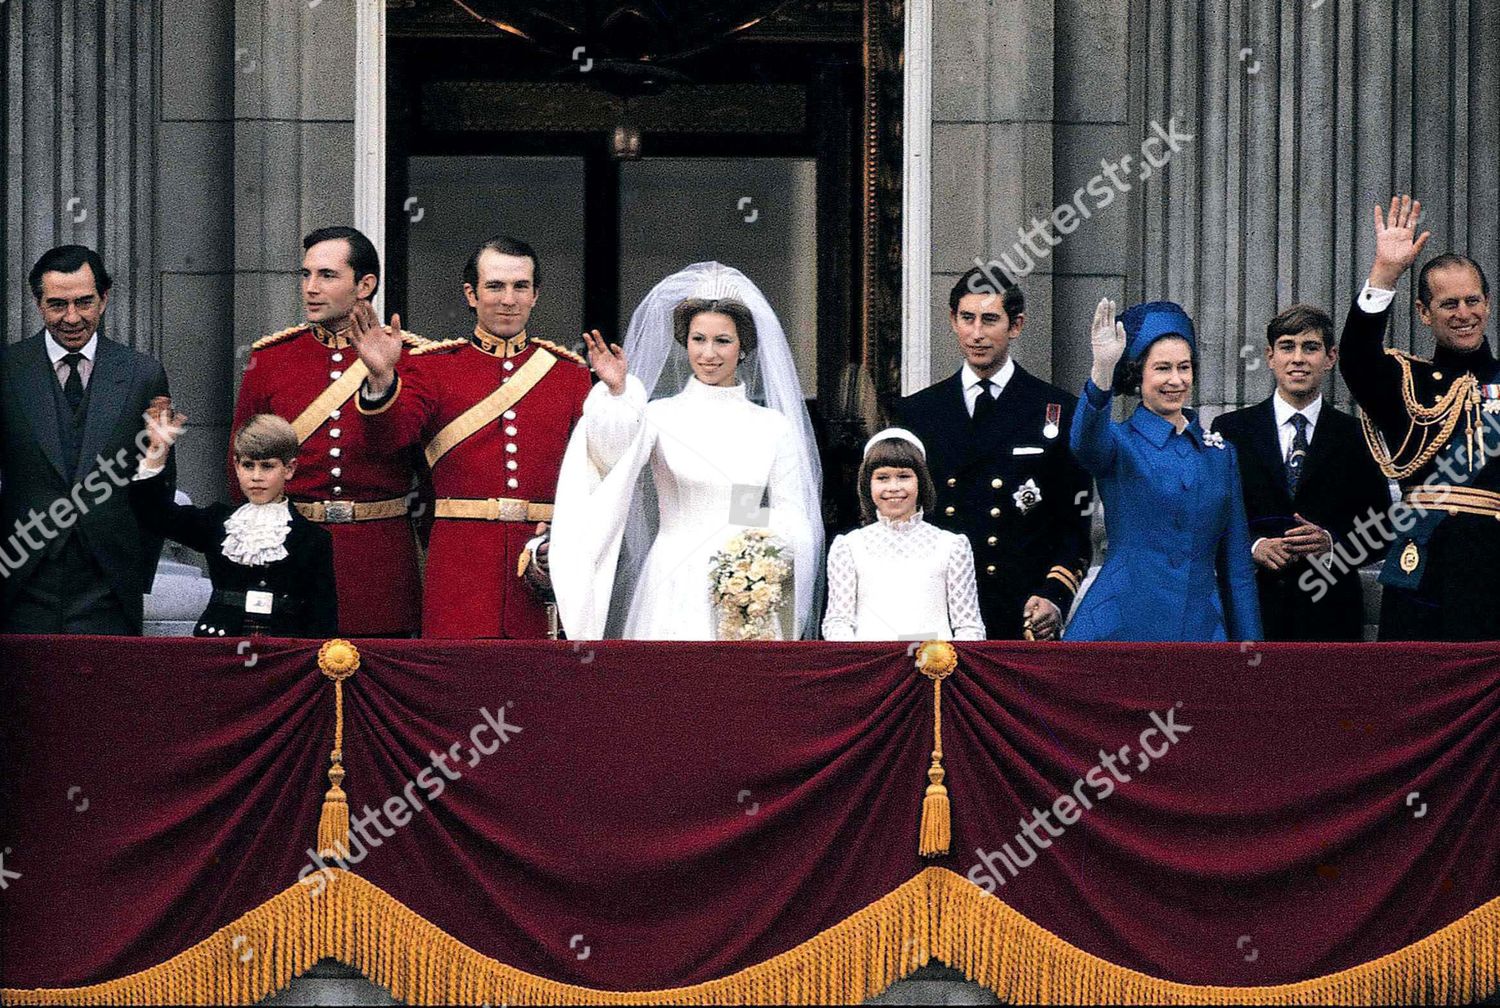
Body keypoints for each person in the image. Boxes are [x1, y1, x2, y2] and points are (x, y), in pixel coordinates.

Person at [549, 262, 824, 640]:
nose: (709, 353)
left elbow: (792, 514)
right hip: (671, 582)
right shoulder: (659, 415)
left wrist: (753, 561)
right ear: (685, 341)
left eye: (722, 341)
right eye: (698, 339)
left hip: (748, 588)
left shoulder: (772, 426)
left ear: (743, 347)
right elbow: (609, 458)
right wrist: (617, 394)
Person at [352, 235, 592, 639]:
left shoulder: (568, 374)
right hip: (460, 567)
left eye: (520, 287)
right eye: (495, 286)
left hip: (541, 562)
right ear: (471, 294)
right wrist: (381, 378)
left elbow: (592, 475)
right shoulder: (432, 367)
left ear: (536, 295)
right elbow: (388, 440)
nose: (508, 299)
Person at [231, 226, 426, 637]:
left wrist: (381, 380)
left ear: (365, 285)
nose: (310, 288)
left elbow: (414, 457)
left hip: (377, 563)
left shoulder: (412, 358)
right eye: (305, 275)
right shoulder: (270, 359)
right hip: (291, 553)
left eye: (327, 276)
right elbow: (241, 473)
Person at [895, 268, 1092, 640]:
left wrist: (1054, 596)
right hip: (938, 612)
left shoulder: (1057, 410)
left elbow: (1073, 527)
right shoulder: (918, 413)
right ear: (952, 321)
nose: (977, 334)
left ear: (1015, 325)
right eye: (967, 319)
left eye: (990, 320)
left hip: (1020, 611)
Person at [1339, 194, 1500, 640]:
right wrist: (1384, 273)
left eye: (1472, 301)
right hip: (1420, 569)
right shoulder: (1405, 383)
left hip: (1492, 572)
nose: (1464, 314)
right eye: (1449, 305)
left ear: (1487, 304)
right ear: (1424, 314)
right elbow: (1355, 358)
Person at [1065, 298, 1261, 642]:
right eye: (1162, 368)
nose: (1175, 380)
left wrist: (1251, 650)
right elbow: (1084, 441)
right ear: (1138, 374)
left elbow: (1237, 569)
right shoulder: (1119, 443)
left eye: (1184, 368)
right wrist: (1102, 372)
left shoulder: (1220, 455)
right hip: (1121, 625)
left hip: (1199, 630)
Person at [0, 245, 173, 635]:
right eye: (57, 304)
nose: (72, 318)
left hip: (108, 585)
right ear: (38, 303)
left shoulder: (142, 374)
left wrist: (132, 571)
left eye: (84, 302)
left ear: (105, 298)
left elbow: (158, 487)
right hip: (21, 582)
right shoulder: (9, 370)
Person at [1212, 304, 1393, 641]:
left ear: (1330, 357)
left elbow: (1383, 527)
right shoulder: (1231, 430)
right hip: (1251, 607)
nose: (1298, 358)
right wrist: (1254, 546)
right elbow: (1211, 517)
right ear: (1270, 356)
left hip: (1330, 615)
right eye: (1287, 346)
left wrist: (1333, 543)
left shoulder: (1358, 435)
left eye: (1310, 347)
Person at [130, 406, 336, 638]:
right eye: (248, 465)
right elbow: (154, 515)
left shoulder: (312, 538)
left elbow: (323, 619)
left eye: (267, 466)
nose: (256, 476)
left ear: (289, 469)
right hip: (219, 647)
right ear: (237, 466)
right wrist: (157, 451)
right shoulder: (219, 522)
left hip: (282, 654)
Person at [821, 428, 984, 641]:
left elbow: (969, 626)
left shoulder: (952, 545)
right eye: (882, 478)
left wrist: (942, 663)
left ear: (921, 482)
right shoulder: (849, 546)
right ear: (868, 484)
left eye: (904, 476)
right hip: (870, 667)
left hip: (934, 667)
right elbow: (838, 621)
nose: (894, 487)